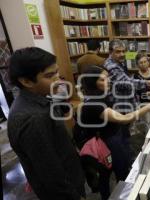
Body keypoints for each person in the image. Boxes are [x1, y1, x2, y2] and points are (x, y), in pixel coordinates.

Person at [7, 47, 85, 200]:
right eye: (50, 75)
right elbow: (50, 173)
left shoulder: (39, 98)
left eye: (56, 72)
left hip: (71, 177)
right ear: (26, 81)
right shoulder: (32, 119)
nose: (58, 79)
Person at [78, 66, 150, 200]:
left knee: (111, 172)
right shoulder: (94, 104)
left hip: (113, 137)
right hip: (108, 142)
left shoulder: (100, 95)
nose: (108, 81)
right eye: (103, 79)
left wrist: (147, 95)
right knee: (116, 173)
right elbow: (124, 118)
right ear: (92, 82)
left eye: (107, 78)